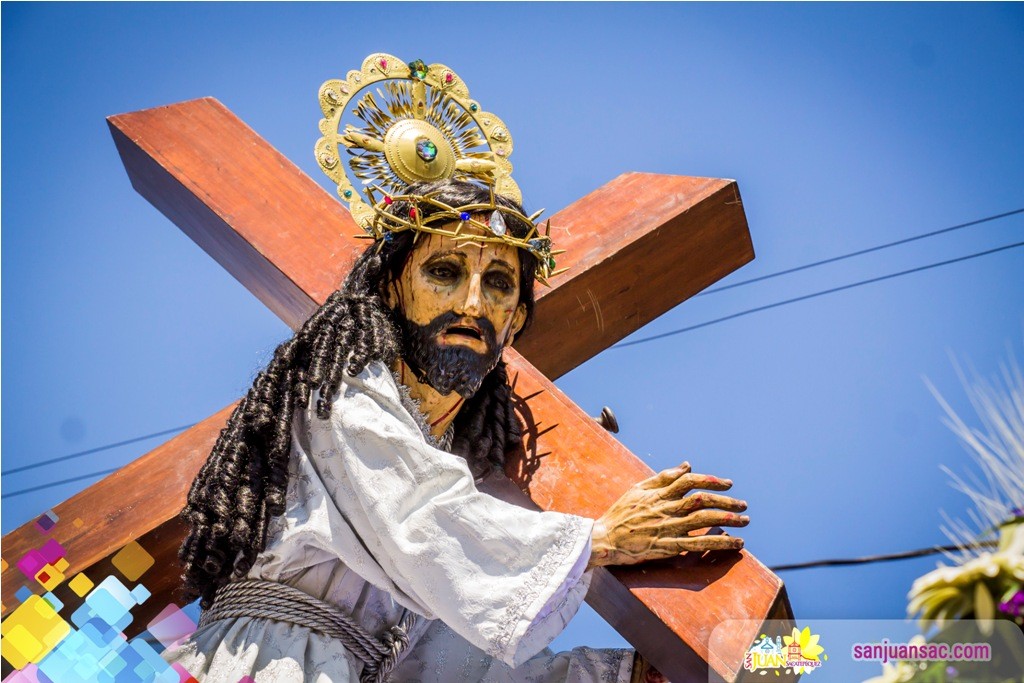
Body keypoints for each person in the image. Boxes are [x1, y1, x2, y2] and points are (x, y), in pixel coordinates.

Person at [162, 56, 749, 683]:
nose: (472, 303)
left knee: (788, 658)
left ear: (517, 317)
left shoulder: (454, 481)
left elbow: (445, 661)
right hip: (264, 665)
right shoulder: (339, 396)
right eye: (444, 272)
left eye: (497, 283)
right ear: (392, 288)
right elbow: (424, 522)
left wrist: (632, 673)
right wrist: (598, 541)